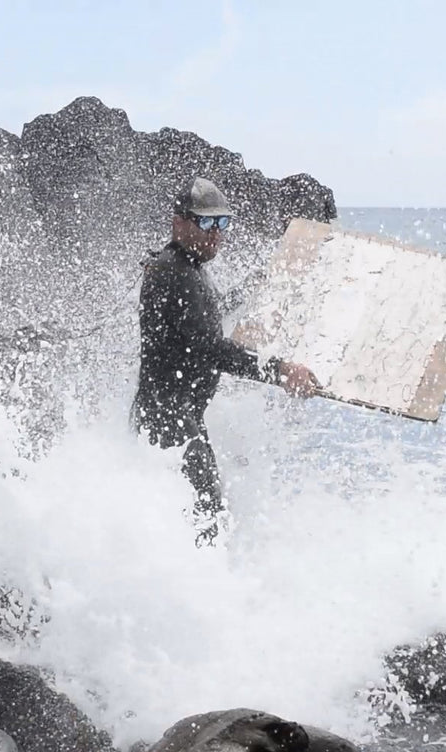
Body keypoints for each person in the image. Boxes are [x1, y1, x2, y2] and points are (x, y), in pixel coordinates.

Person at [131, 177, 321, 541]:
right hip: (168, 417)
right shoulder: (174, 272)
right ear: (179, 222)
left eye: (222, 223)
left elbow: (206, 318)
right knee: (207, 513)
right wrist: (281, 371)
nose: (214, 233)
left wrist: (256, 286)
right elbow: (211, 348)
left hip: (175, 414)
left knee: (195, 514)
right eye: (205, 222)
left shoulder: (188, 269)